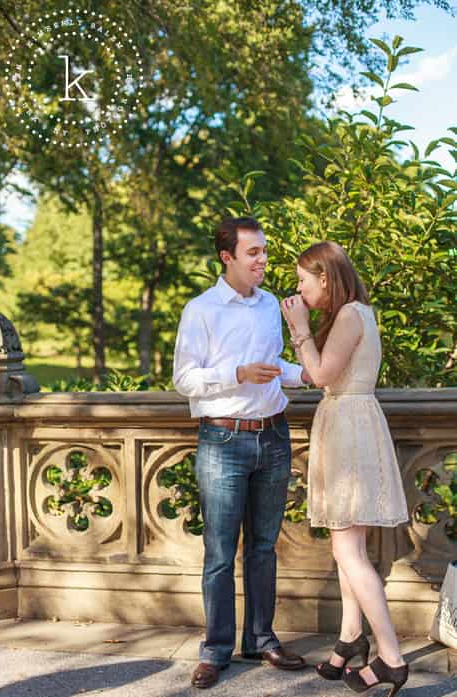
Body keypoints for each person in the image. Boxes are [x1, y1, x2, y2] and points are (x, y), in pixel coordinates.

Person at [173, 216, 310, 689]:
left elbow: (273, 367)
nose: (263, 261)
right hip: (223, 442)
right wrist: (236, 373)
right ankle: (215, 650)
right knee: (218, 553)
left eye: (265, 252)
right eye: (254, 253)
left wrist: (304, 373)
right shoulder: (201, 310)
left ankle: (261, 639)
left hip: (273, 436)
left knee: (264, 547)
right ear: (227, 257)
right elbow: (185, 379)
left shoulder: (270, 304)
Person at [281, 241, 409, 696]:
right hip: (350, 423)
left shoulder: (351, 314)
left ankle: (391, 658)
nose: (298, 288)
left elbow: (319, 375)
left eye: (303, 280)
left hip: (349, 428)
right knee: (346, 548)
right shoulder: (358, 313)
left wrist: (298, 329)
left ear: (325, 278)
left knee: (349, 550)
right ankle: (350, 640)